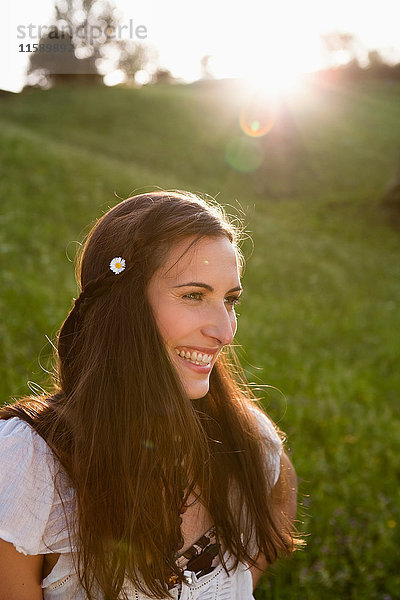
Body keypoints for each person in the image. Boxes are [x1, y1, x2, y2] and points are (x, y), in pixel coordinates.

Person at [0, 190, 303, 600]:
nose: (225, 330)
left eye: (230, 300)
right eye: (194, 295)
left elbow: (280, 487)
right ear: (126, 307)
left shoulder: (241, 435)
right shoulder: (30, 466)